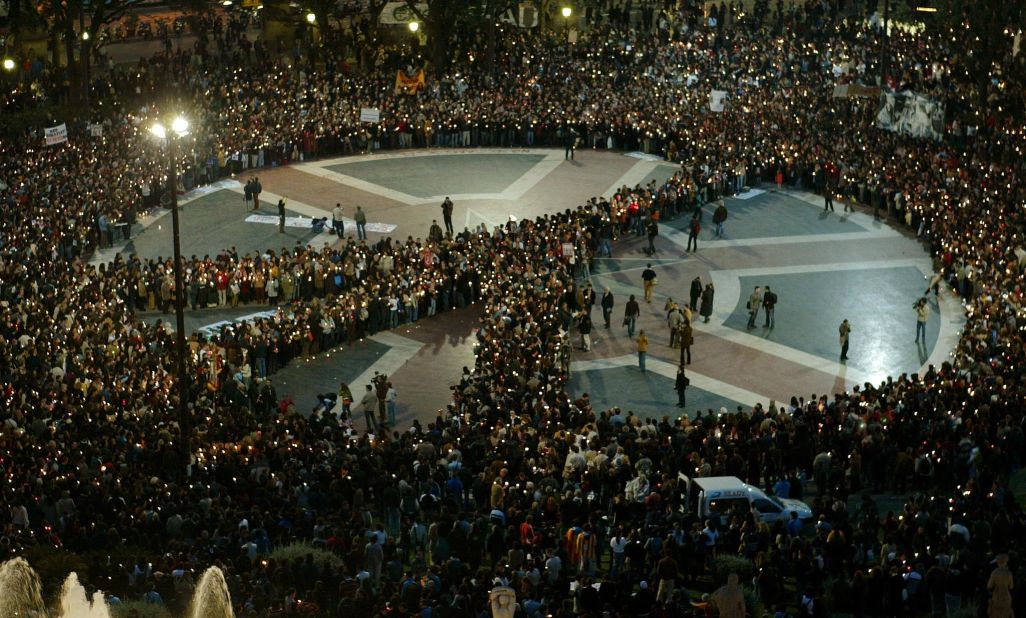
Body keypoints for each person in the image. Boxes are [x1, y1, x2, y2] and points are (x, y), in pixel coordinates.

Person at [987, 554, 1013, 618]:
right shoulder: (1009, 574)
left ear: (998, 563)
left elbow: (989, 586)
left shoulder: (994, 573)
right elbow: (1011, 587)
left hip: (996, 598)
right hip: (1006, 598)